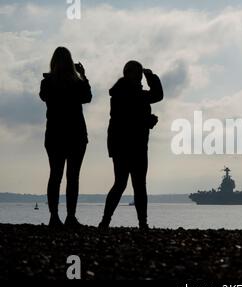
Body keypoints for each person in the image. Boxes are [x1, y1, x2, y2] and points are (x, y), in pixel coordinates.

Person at [99, 60, 163, 229]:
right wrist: (147, 121)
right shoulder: (126, 94)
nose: (140, 78)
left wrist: (150, 76)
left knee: (129, 184)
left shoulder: (126, 93)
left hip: (130, 145)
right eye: (138, 75)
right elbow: (127, 119)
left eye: (140, 76)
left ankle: (111, 221)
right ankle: (133, 222)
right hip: (128, 146)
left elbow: (156, 96)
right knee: (131, 184)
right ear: (129, 74)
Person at [39, 47, 92, 228]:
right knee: (72, 176)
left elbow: (44, 97)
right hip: (76, 134)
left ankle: (54, 216)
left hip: (55, 134)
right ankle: (70, 216)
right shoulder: (77, 83)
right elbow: (87, 97)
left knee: (55, 175)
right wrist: (83, 76)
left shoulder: (47, 83)